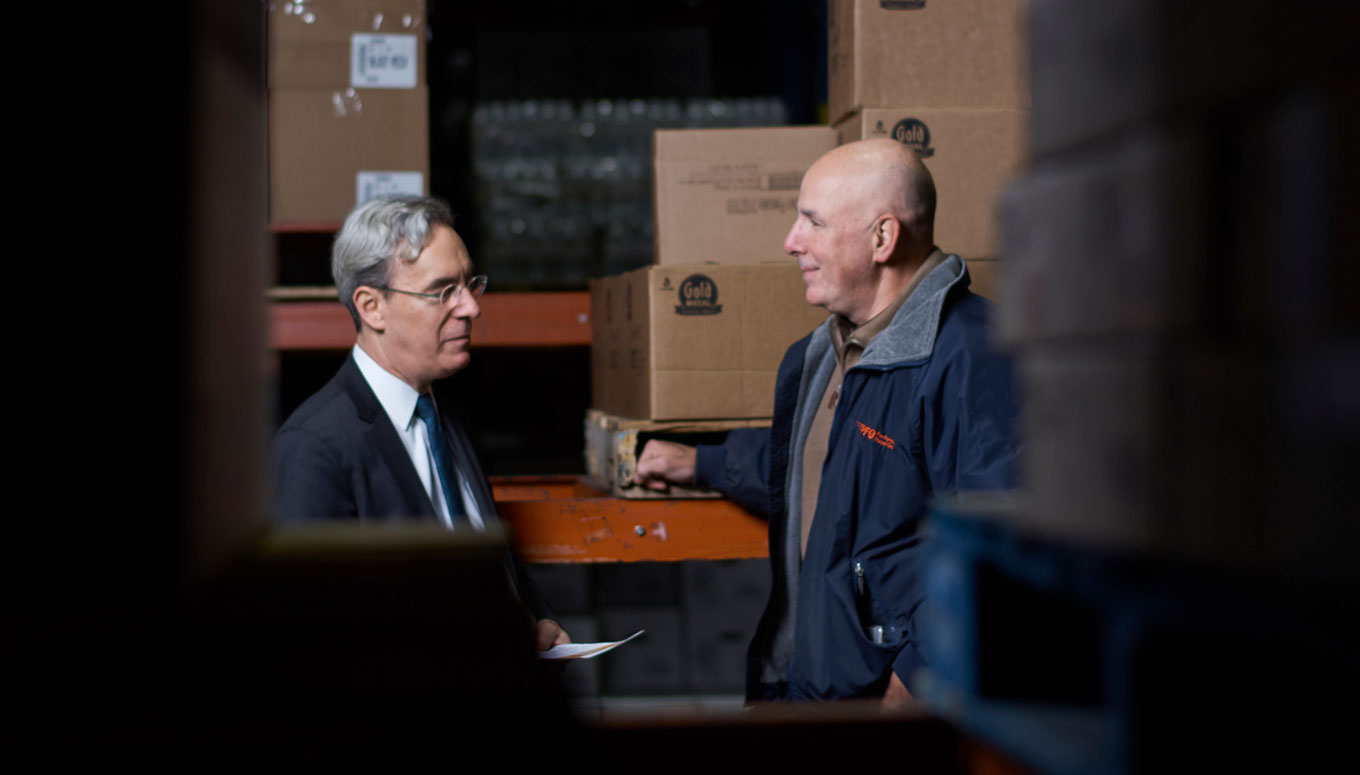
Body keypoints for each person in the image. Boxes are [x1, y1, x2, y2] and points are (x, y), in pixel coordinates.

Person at [634, 139, 1019, 706]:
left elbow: (1001, 555)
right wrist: (704, 461)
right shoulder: (822, 351)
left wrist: (914, 684)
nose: (791, 243)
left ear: (882, 238)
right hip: (806, 686)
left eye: (811, 222)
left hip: (881, 703)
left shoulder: (976, 357)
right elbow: (828, 464)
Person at [272, 195, 568, 652]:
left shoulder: (447, 418)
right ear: (372, 307)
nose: (471, 307)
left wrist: (535, 618)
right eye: (443, 291)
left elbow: (488, 555)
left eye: (471, 284)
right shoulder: (315, 447)